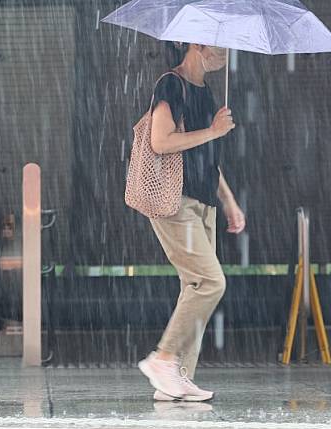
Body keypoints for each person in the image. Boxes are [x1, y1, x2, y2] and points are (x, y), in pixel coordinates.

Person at [137, 42, 246, 402]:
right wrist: (214, 130)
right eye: (220, 49)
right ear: (198, 45)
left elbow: (207, 158)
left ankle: (177, 380)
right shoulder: (171, 84)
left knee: (195, 287)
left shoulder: (207, 91)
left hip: (203, 203)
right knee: (211, 282)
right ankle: (164, 358)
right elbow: (161, 141)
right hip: (175, 201)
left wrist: (229, 202)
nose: (226, 55)